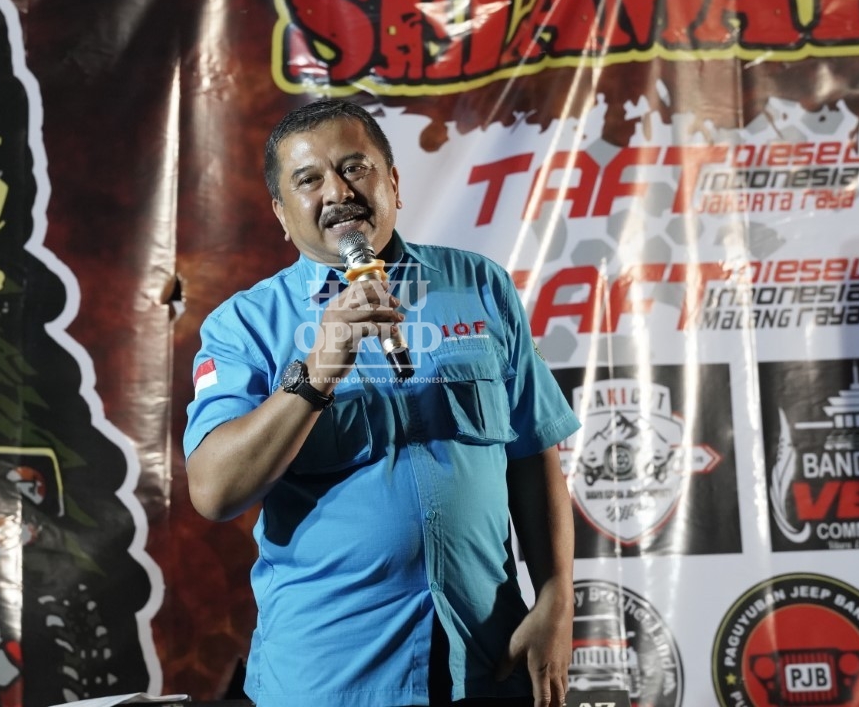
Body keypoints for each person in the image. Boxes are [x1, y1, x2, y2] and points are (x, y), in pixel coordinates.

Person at [184, 99, 581, 707]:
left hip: (487, 661)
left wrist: (556, 596)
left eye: (355, 168)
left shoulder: (478, 285)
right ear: (282, 215)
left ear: (393, 182)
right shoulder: (244, 325)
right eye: (308, 180)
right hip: (332, 678)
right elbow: (214, 491)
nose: (338, 192)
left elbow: (532, 451)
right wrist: (319, 370)